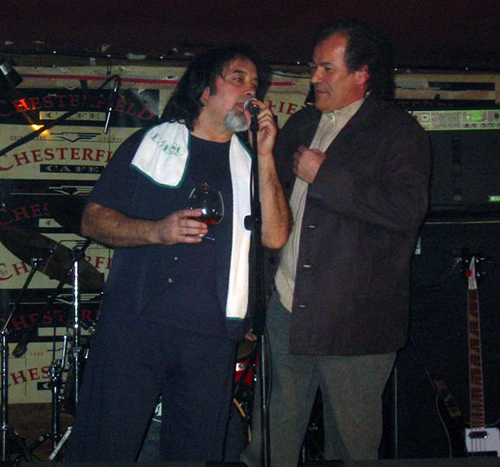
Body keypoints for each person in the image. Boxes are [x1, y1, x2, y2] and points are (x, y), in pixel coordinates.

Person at [64, 45, 290, 463]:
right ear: (205, 89)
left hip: (212, 335)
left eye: (256, 84)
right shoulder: (150, 143)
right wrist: (156, 231)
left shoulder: (252, 161)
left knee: (194, 455)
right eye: (238, 78)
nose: (251, 91)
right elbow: (93, 220)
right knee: (104, 447)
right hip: (136, 326)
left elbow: (276, 236)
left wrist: (266, 156)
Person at [241, 19, 431, 466]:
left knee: (351, 443)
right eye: (314, 66)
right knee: (271, 436)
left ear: (362, 73)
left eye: (327, 68)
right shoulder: (303, 123)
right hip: (287, 306)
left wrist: (325, 174)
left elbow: (406, 210)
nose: (314, 77)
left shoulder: (398, 132)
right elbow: (269, 207)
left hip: (356, 319)